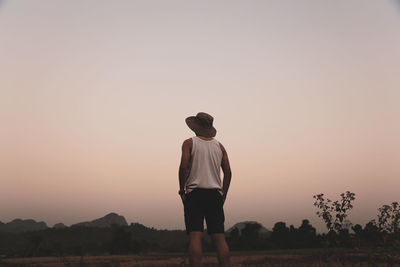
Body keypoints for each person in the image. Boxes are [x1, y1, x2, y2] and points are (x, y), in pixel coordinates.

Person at [178, 112, 232, 267]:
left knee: (195, 236)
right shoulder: (220, 146)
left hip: (195, 194)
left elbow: (183, 168)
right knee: (219, 238)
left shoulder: (189, 143)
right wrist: (223, 194)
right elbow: (228, 172)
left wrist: (182, 191)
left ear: (196, 126)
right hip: (215, 195)